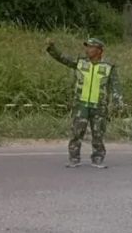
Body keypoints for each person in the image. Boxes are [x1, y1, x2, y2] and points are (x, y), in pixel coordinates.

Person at [46, 37, 122, 168]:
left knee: (98, 133)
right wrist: (52, 48)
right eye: (87, 47)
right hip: (81, 104)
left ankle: (98, 158)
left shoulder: (109, 66)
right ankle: (74, 158)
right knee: (77, 132)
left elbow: (116, 85)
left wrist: (117, 99)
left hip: (99, 106)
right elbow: (62, 58)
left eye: (91, 47)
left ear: (99, 50)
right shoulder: (80, 62)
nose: (88, 50)